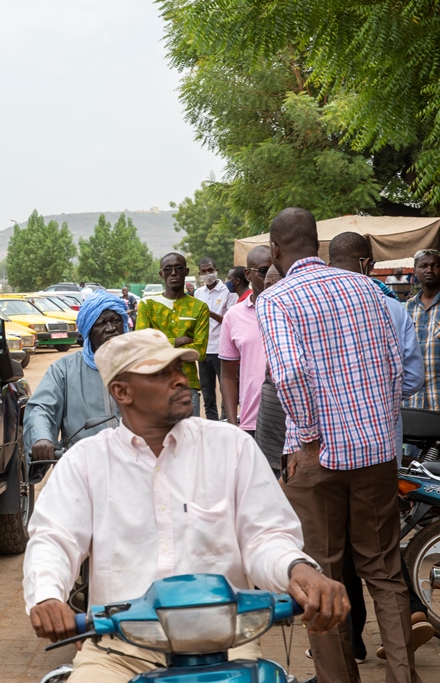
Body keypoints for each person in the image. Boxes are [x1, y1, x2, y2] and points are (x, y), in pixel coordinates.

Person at [23, 328, 349, 683]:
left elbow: (264, 537)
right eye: (162, 374)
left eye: (180, 369)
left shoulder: (231, 446)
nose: (180, 381)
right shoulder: (85, 461)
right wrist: (47, 596)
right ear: (122, 391)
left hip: (226, 643)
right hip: (118, 650)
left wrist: (298, 570)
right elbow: (54, 539)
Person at [256, 207, 421, 683]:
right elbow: (396, 368)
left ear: (279, 249)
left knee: (321, 576)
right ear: (320, 247)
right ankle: (403, 676)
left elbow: (288, 373)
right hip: (374, 452)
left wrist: (307, 436)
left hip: (318, 457)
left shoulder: (277, 299)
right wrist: (375, 425)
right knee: (384, 572)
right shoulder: (367, 288)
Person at [327, 231, 431, 665]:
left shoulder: (318, 309)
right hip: (381, 447)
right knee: (383, 551)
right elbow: (412, 378)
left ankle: (349, 645)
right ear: (368, 265)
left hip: (328, 449)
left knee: (339, 552)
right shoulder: (392, 307)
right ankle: (403, 638)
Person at [23, 291, 128, 464]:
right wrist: (41, 438)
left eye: (115, 321)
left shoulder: (141, 364)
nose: (110, 328)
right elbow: (41, 408)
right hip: (83, 464)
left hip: (135, 463)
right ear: (88, 331)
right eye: (101, 323)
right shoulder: (64, 369)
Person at [135, 253, 209, 416]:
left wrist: (158, 348)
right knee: (154, 439)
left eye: (178, 268)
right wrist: (179, 341)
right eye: (168, 269)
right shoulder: (148, 305)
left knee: (188, 438)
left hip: (186, 385)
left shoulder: (199, 307)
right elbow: (140, 344)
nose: (174, 273)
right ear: (161, 274)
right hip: (153, 384)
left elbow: (200, 351)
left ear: (186, 271)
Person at [219, 246, 272, 439]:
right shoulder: (234, 316)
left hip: (295, 421)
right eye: (264, 271)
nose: (271, 277)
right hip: (252, 422)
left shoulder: (295, 311)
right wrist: (234, 426)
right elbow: (227, 376)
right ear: (248, 274)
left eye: (277, 270)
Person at [193, 257, 237, 420]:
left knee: (226, 389)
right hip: (204, 349)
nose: (207, 274)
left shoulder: (228, 292)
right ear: (199, 274)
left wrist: (209, 313)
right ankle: (212, 424)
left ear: (216, 269)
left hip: (222, 349)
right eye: (204, 271)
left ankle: (226, 422)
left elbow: (231, 321)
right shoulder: (198, 293)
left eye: (210, 270)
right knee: (207, 392)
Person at [254, 265, 286, 476]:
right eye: (267, 285)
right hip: (264, 424)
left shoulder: (292, 318)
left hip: (295, 438)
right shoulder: (257, 312)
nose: (270, 291)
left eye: (277, 285)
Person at [404, 248, 440, 410]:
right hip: (412, 403)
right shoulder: (406, 309)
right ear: (415, 271)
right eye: (424, 266)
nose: (429, 270)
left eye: (436, 265)